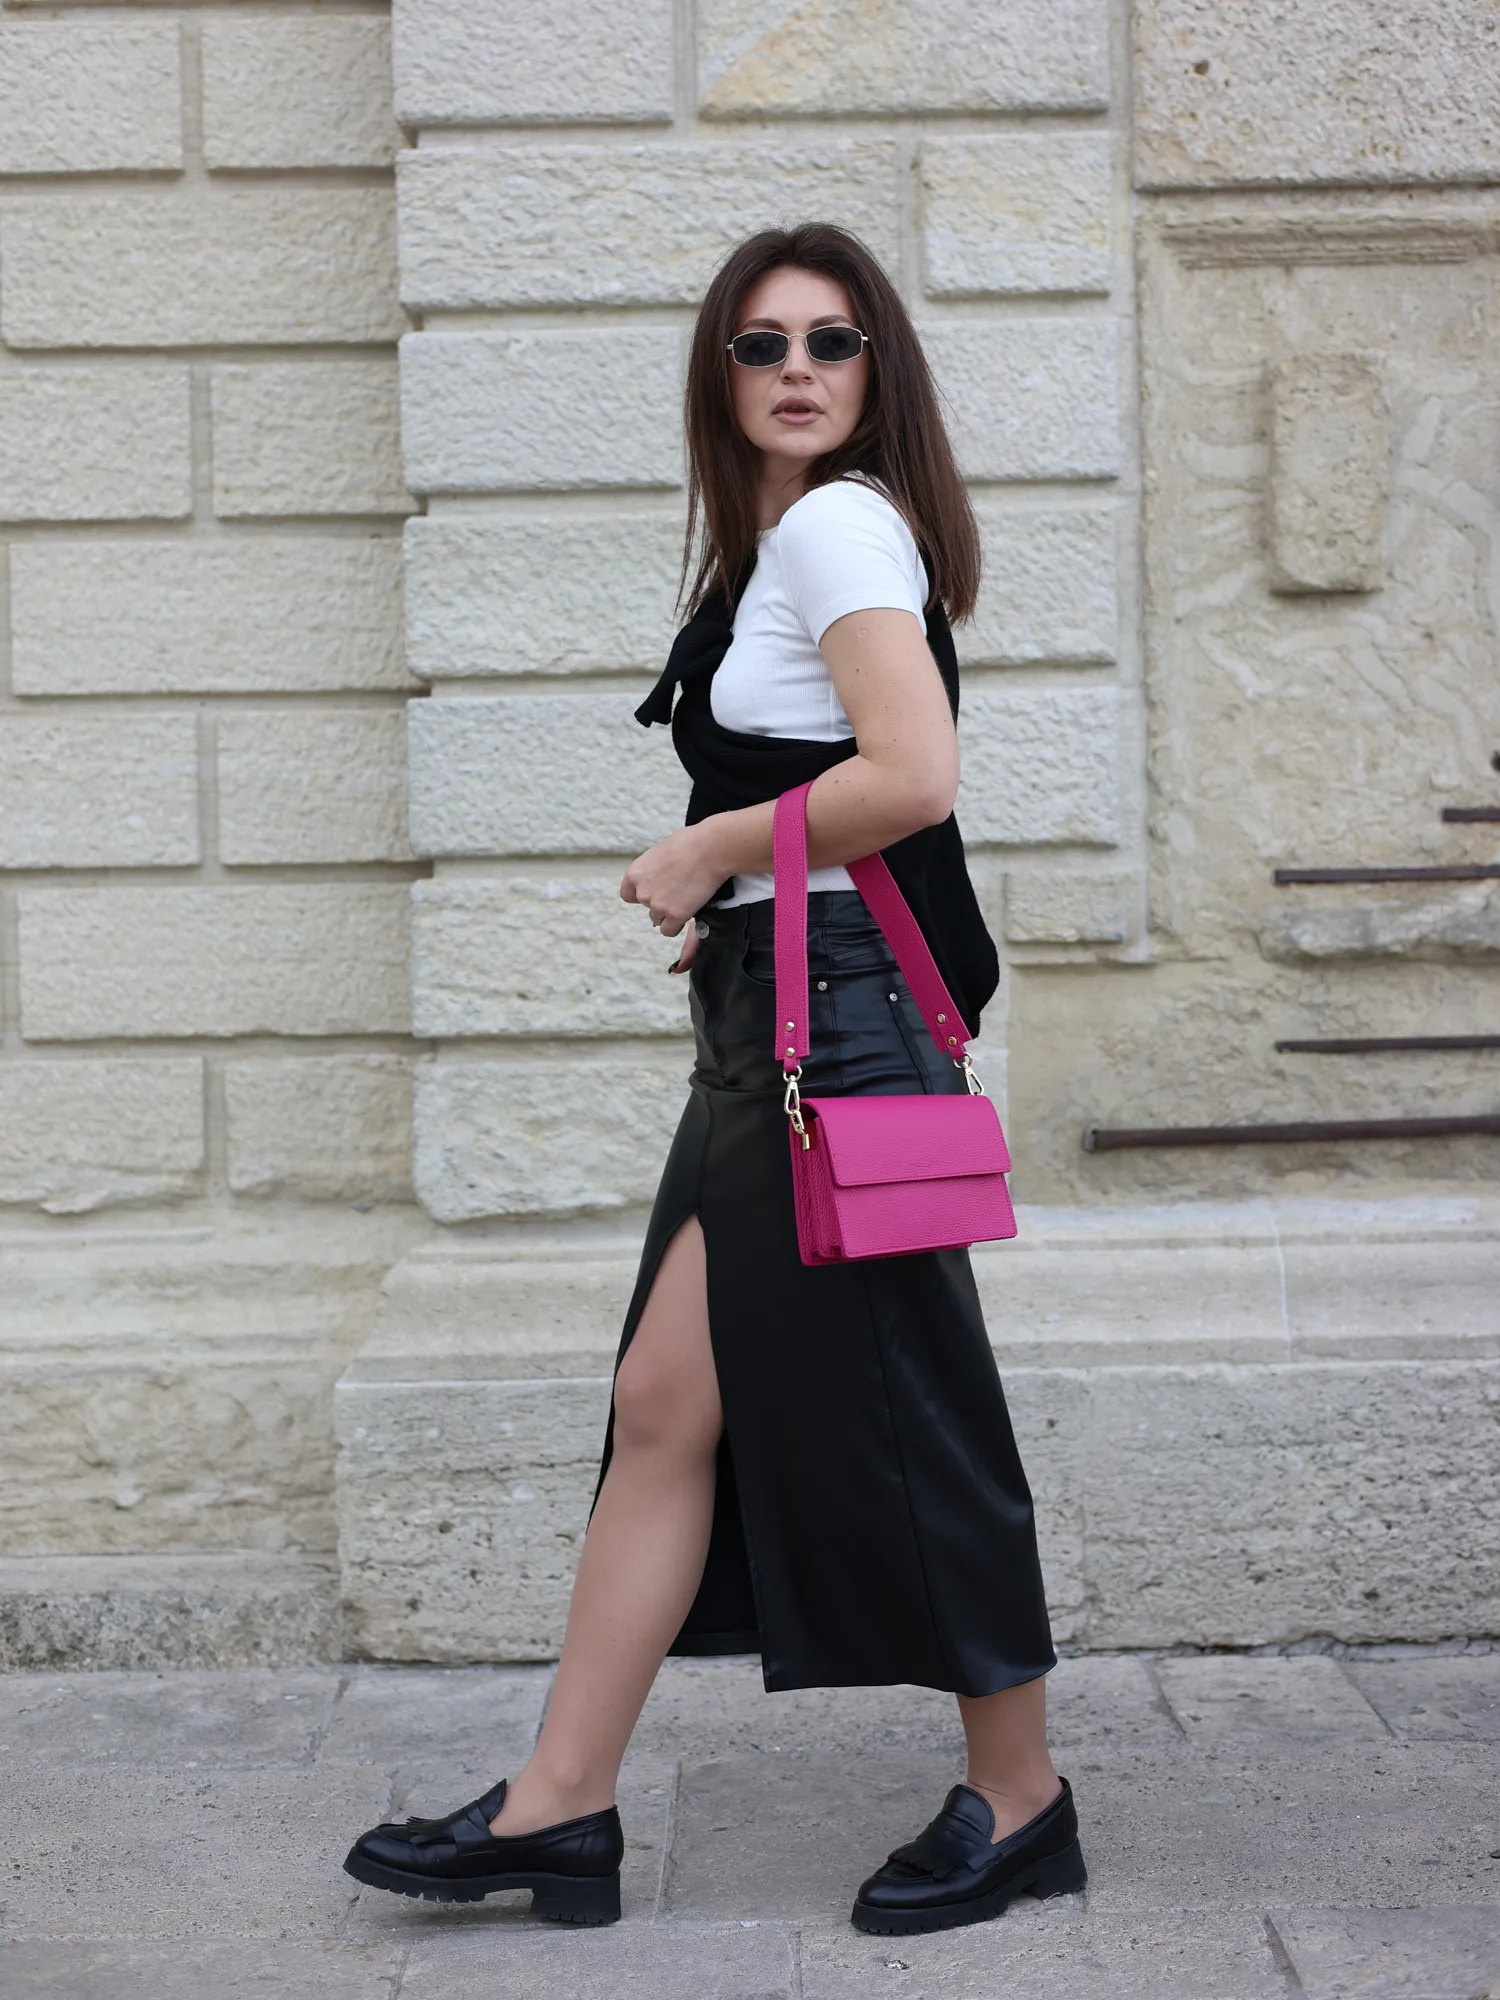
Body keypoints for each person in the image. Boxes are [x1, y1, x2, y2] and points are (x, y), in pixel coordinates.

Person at [344, 222, 1085, 1936]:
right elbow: (842, 786)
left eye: (833, 340)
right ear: (722, 375)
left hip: (839, 1040)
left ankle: (1023, 1796)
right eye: (764, 344)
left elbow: (913, 775)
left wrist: (712, 851)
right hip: (779, 1018)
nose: (799, 370)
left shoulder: (837, 526)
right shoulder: (784, 544)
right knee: (668, 1404)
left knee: (921, 1415)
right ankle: (560, 1806)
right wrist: (746, 904)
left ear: (878, 369)